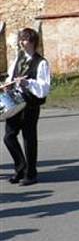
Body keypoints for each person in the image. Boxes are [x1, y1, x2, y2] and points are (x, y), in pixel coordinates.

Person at [3, 28, 50, 186]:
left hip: (30, 103)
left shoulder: (41, 62)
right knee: (8, 137)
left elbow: (44, 88)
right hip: (15, 101)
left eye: (25, 40)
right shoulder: (18, 58)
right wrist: (7, 85)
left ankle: (30, 174)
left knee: (29, 139)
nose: (22, 43)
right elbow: (11, 76)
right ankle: (21, 167)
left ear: (33, 42)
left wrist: (28, 82)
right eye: (21, 40)